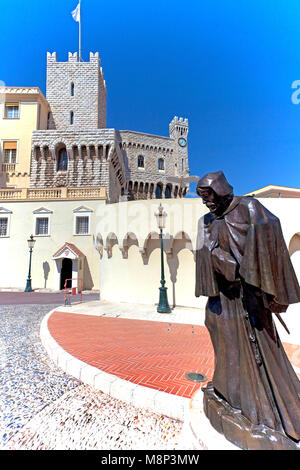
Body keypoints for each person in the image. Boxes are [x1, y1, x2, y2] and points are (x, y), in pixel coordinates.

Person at [195, 170, 300, 450]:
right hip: (223, 301)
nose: (208, 204)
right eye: (204, 200)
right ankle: (229, 396)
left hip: (249, 301)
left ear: (221, 190)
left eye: (210, 197)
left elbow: (270, 232)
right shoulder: (206, 221)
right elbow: (203, 253)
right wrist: (214, 258)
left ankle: (265, 416)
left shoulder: (250, 209)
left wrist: (257, 278)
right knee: (224, 343)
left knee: (261, 356)